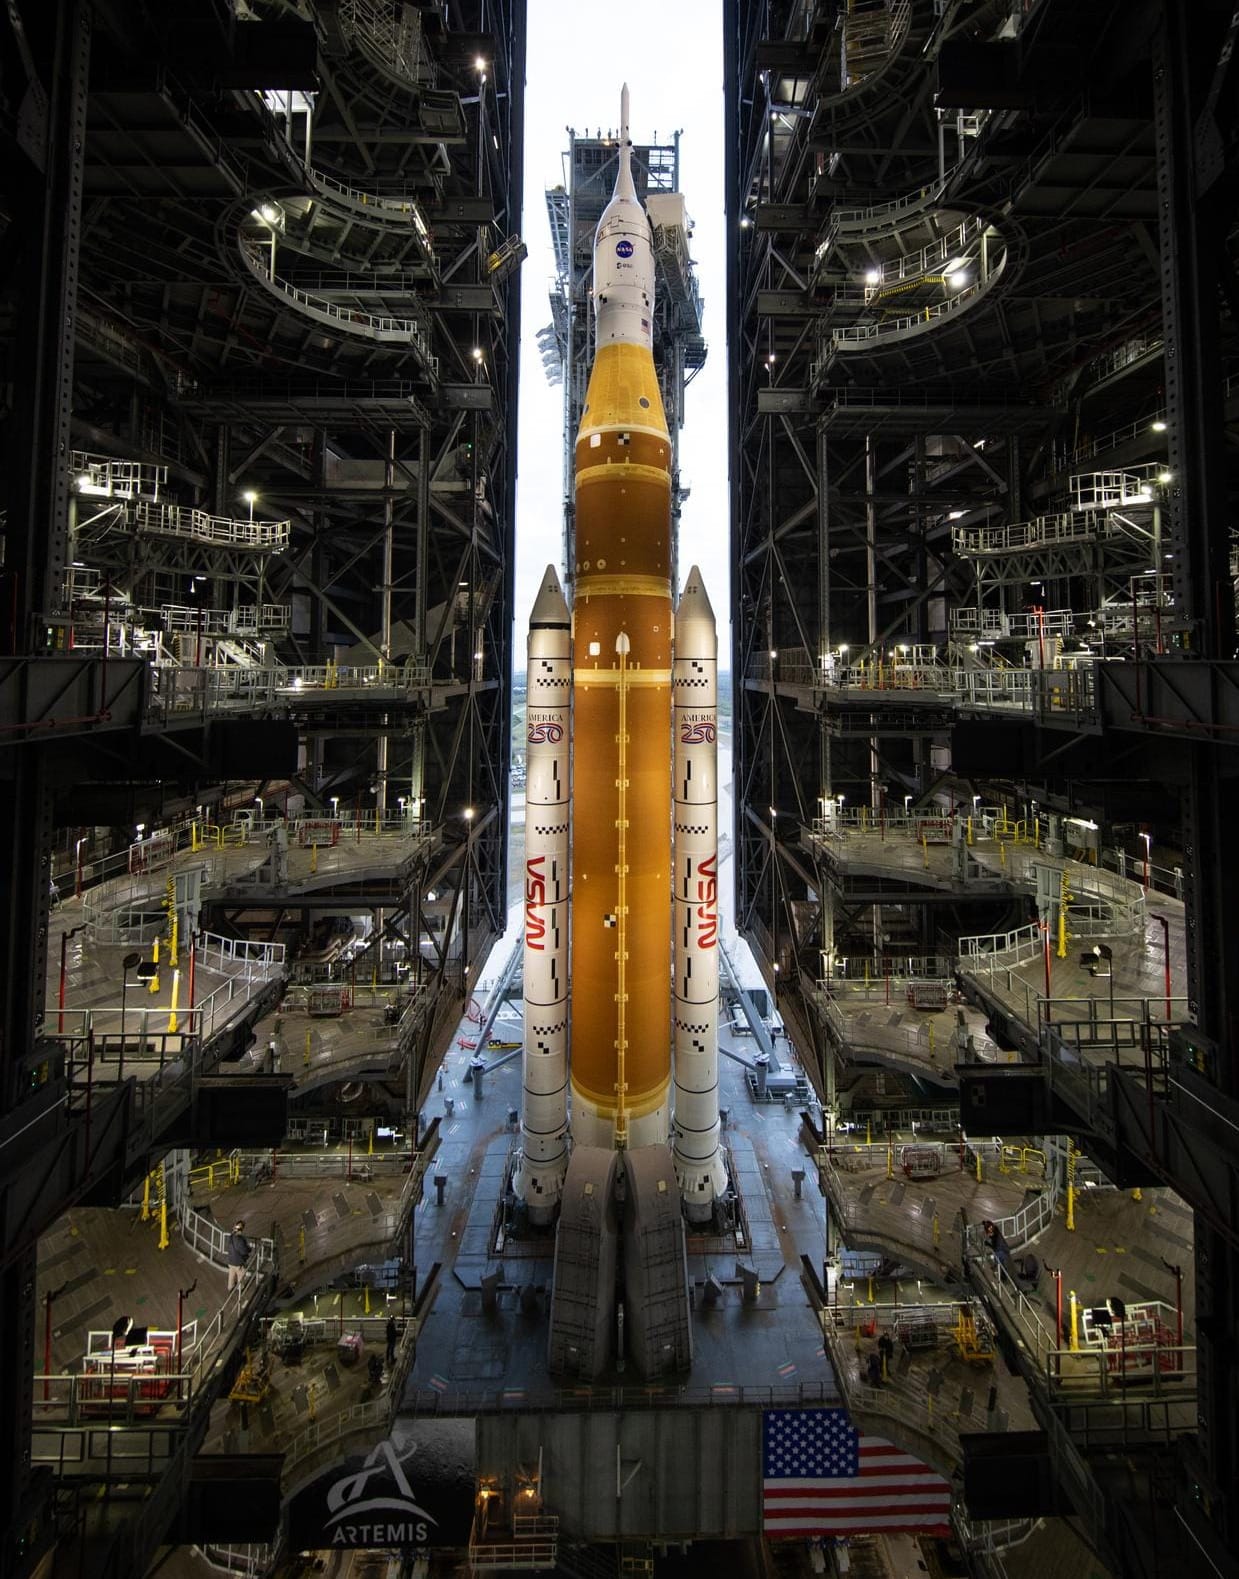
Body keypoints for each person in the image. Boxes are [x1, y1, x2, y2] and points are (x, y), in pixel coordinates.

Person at [226, 1221, 251, 1290]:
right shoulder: (240, 1240)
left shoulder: (231, 1236)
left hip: (231, 1260)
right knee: (241, 1275)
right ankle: (240, 1289)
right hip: (238, 1262)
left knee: (231, 1275)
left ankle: (230, 1287)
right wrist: (249, 1249)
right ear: (242, 1229)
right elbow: (243, 1251)